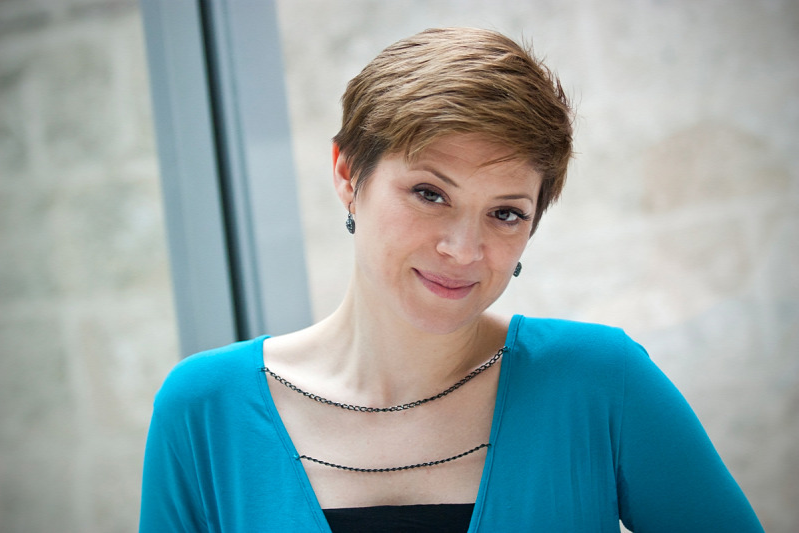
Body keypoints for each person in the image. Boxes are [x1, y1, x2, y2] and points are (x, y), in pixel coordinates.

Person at [139, 27, 764, 532]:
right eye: (430, 193)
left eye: (506, 213)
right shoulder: (205, 409)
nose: (463, 250)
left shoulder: (601, 382)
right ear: (348, 175)